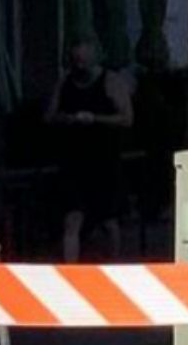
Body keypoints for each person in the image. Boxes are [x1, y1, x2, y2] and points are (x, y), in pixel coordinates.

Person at [45, 39, 133, 262]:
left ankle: (114, 265)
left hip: (104, 160)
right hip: (74, 161)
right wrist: (68, 119)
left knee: (108, 220)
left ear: (94, 59)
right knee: (72, 217)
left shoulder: (110, 81)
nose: (80, 66)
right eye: (76, 61)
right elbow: (49, 116)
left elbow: (127, 118)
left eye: (84, 61)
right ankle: (70, 270)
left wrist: (96, 119)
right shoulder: (65, 82)